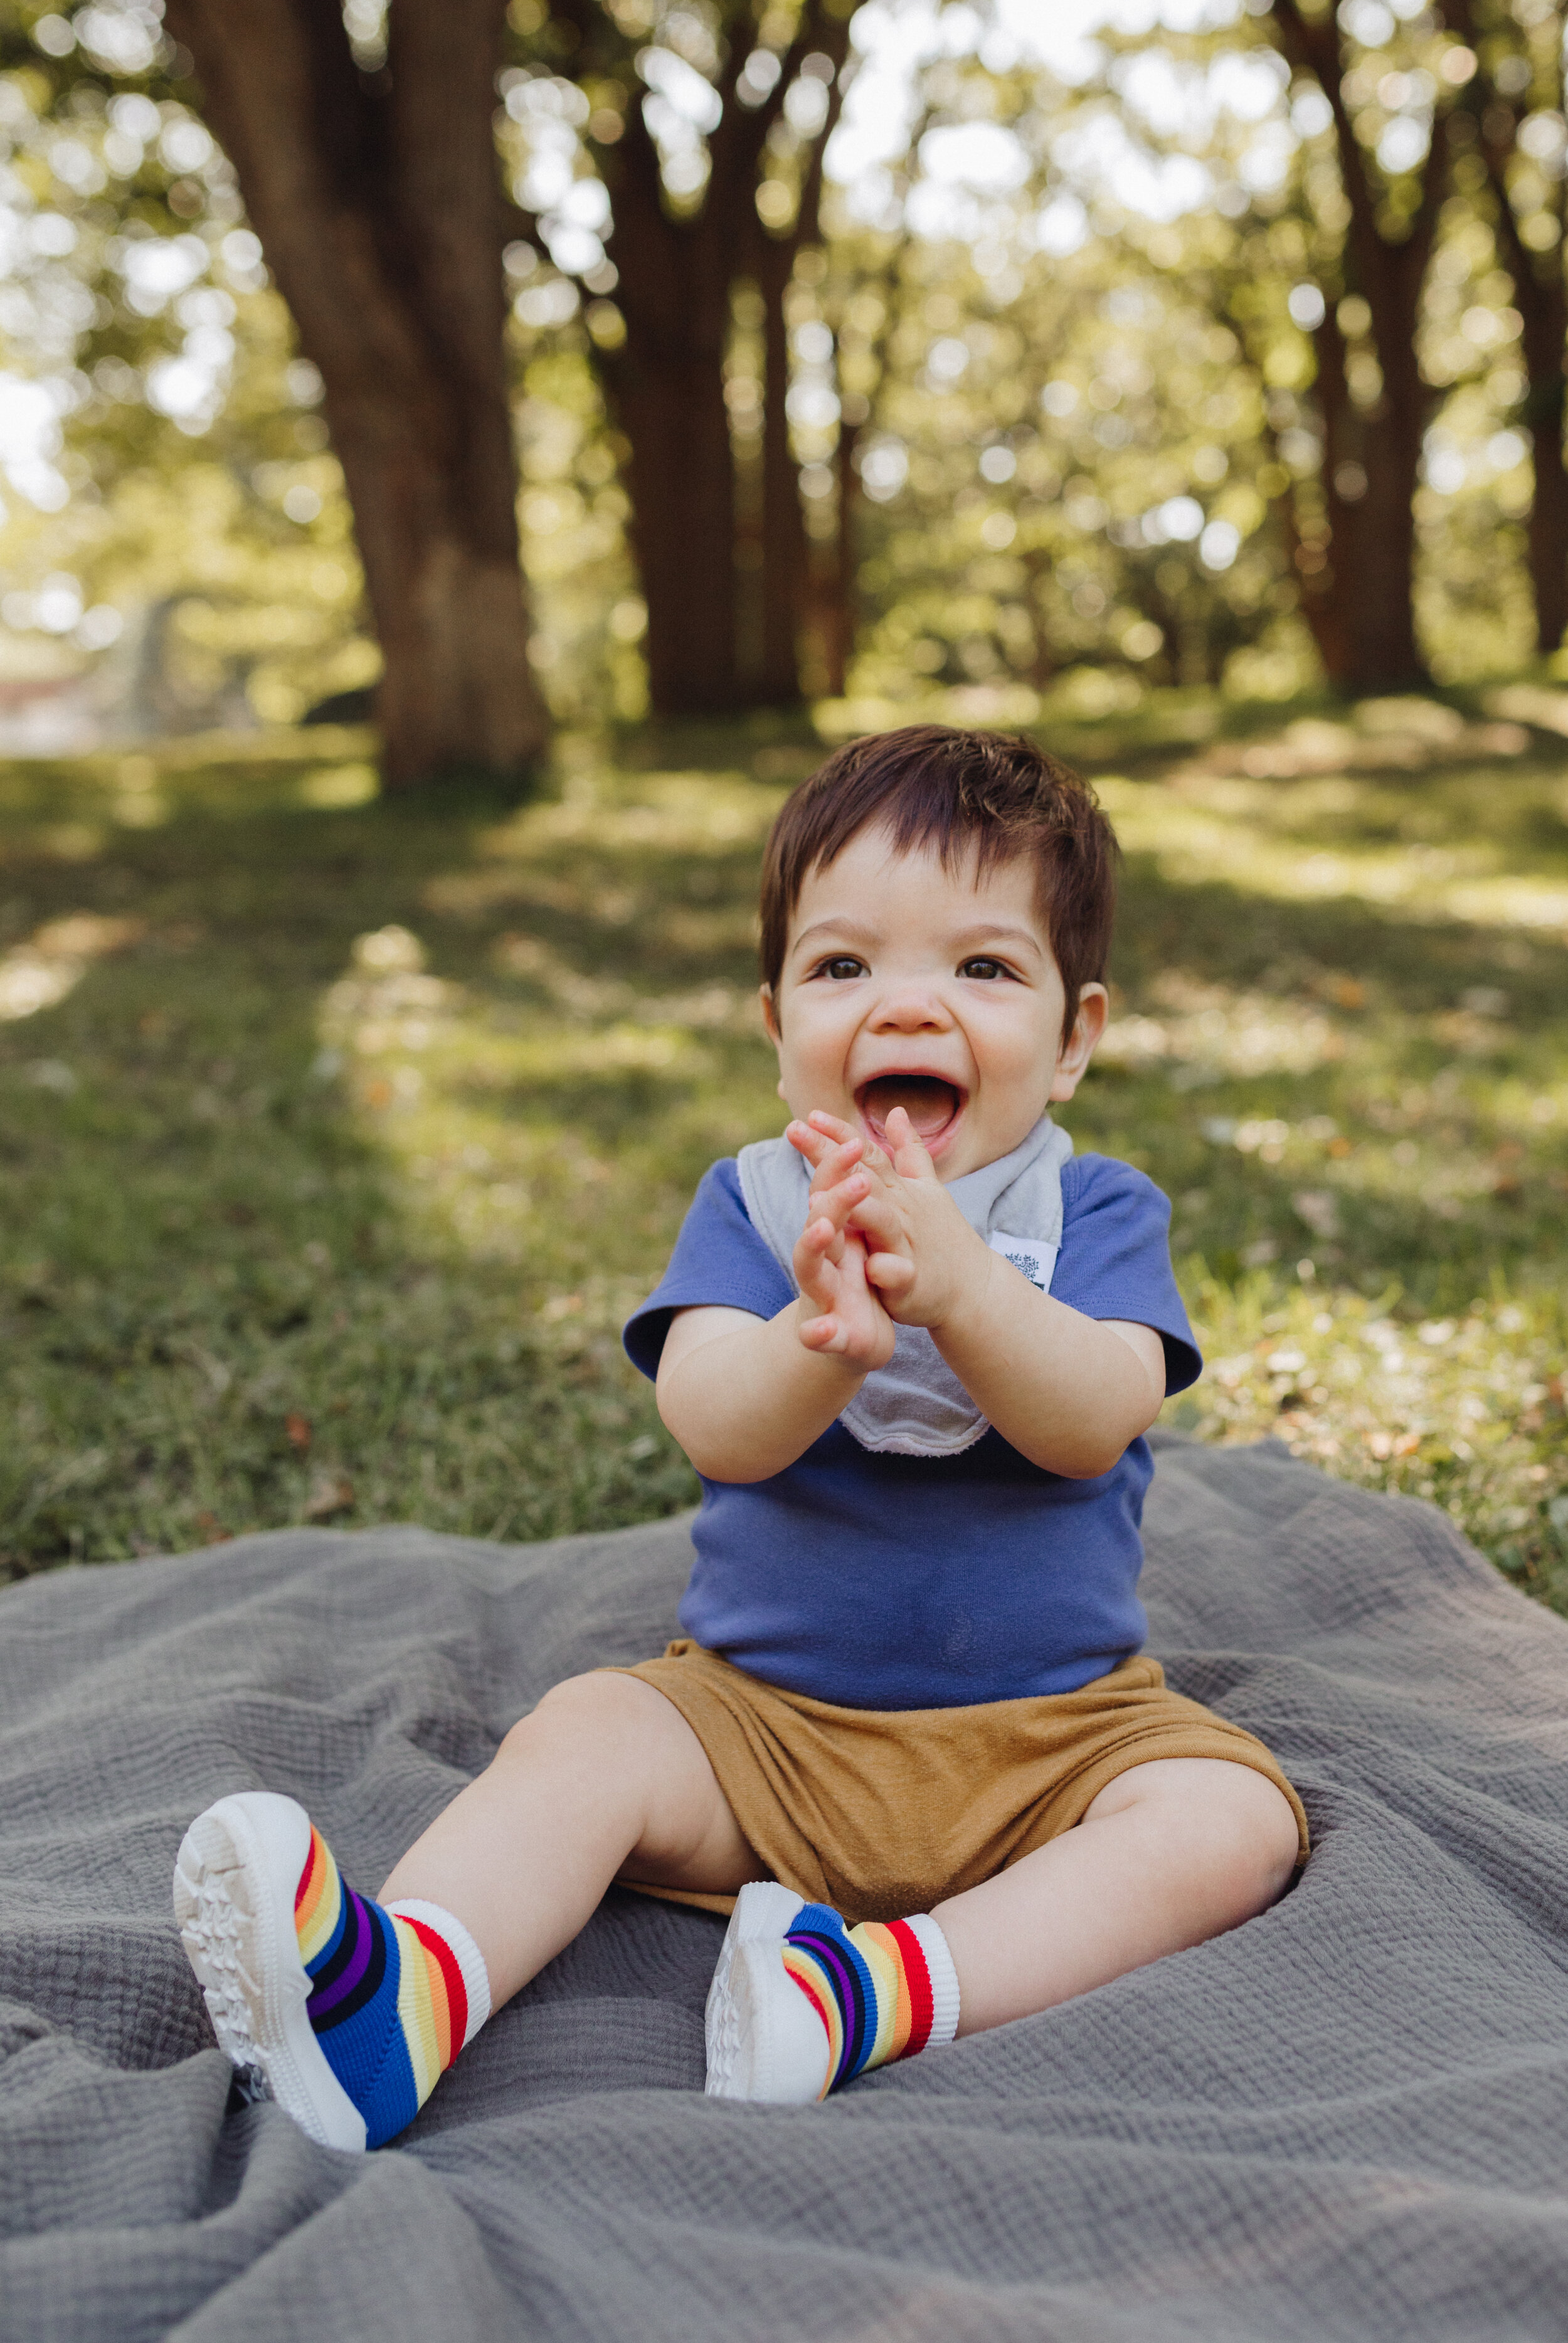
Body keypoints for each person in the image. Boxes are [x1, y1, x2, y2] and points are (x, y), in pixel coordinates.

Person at [174, 724, 1307, 2152]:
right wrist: (808, 1344)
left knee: (1228, 1819)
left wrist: (961, 1290)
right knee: (587, 1731)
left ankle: (868, 1991)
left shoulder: (1096, 1215)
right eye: (842, 968)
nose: (905, 1009)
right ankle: (400, 1998)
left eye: (980, 968)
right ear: (775, 1031)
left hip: (1052, 1743)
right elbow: (712, 1422)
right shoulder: (757, 1207)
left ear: (1074, 1039)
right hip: (760, 1734)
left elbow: (1092, 1422)